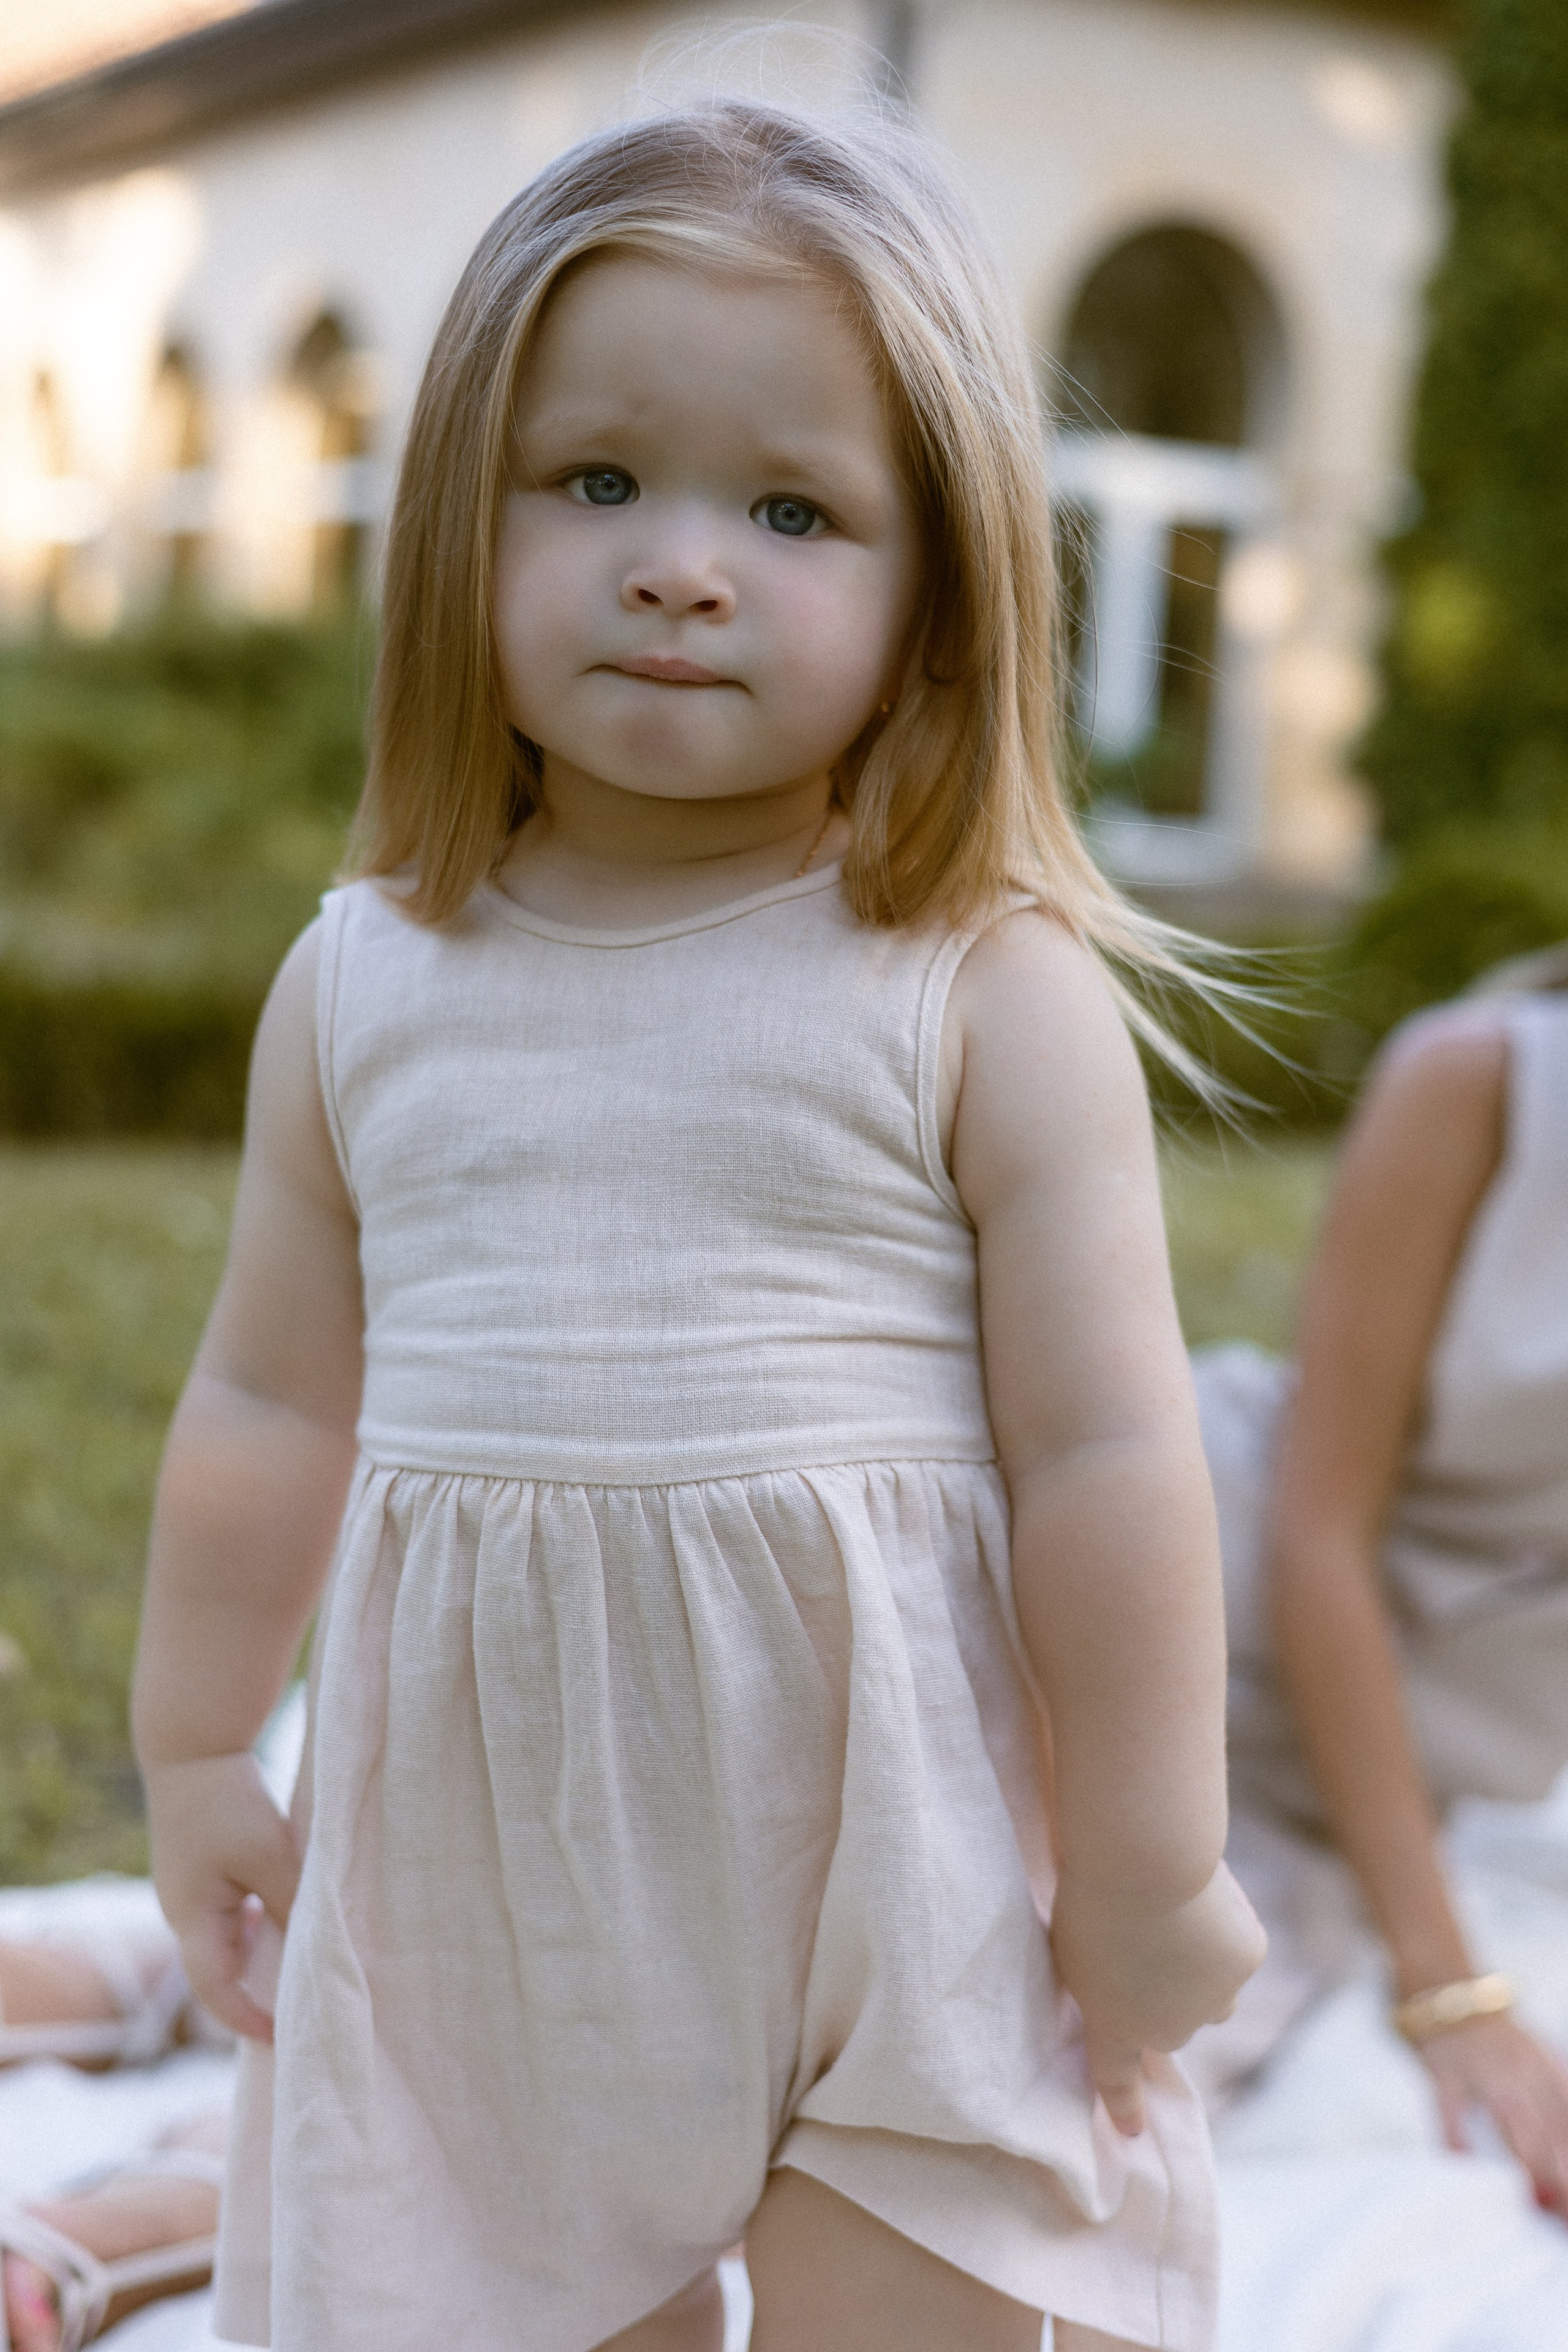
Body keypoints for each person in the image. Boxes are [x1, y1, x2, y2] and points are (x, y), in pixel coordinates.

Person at [130, 100, 1264, 2352]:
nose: (681, 563)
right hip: (492, 1854)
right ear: (462, 514)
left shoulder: (974, 980)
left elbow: (1115, 1458)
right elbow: (268, 1389)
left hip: (895, 1827)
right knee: (503, 2276)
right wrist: (189, 1749)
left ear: (943, 579)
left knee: (937, 2273)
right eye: (597, 481)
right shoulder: (370, 976)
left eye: (792, 509)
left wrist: (1146, 1867)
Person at [1189, 943, 1568, 2217]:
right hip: (1206, 1645)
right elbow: (1318, 1533)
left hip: (1434, 1754)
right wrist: (1447, 1986)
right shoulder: (1478, 1083)